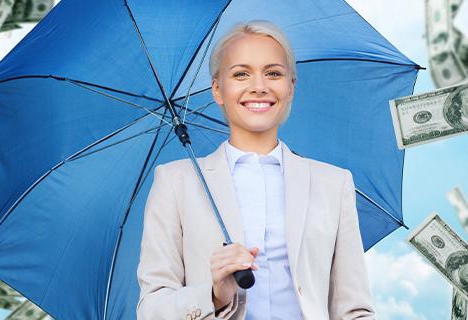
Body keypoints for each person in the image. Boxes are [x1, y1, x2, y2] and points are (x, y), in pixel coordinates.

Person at [137, 21, 375, 320]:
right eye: (241, 74)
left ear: (291, 87)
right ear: (217, 89)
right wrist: (213, 295)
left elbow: (355, 310)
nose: (259, 86)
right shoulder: (176, 182)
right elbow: (151, 308)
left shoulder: (334, 183)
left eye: (273, 73)